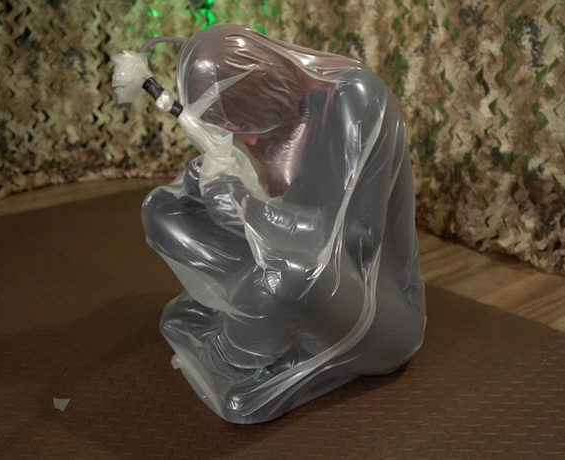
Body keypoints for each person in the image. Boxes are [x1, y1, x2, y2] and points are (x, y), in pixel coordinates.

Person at [141, 25, 426, 424]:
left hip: (366, 301)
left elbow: (353, 239)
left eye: (243, 123)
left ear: (263, 82)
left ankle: (232, 356)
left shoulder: (354, 100)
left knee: (286, 278)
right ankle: (252, 321)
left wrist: (249, 209)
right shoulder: (277, 115)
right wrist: (213, 181)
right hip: (291, 259)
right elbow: (275, 188)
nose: (247, 140)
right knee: (165, 210)